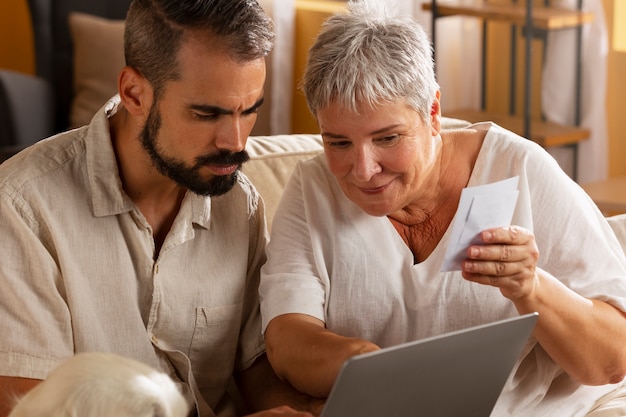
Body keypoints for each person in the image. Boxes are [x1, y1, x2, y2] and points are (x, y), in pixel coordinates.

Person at [259, 1, 626, 415]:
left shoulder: (518, 169)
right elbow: (286, 337)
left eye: (387, 138)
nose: (363, 170)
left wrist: (531, 287)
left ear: (433, 113)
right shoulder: (312, 189)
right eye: (338, 142)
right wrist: (368, 365)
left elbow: (613, 359)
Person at [0, 1, 317, 416]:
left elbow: (254, 366)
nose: (235, 142)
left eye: (249, 111)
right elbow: (27, 407)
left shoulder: (238, 203)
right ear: (134, 93)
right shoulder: (22, 208)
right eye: (207, 114)